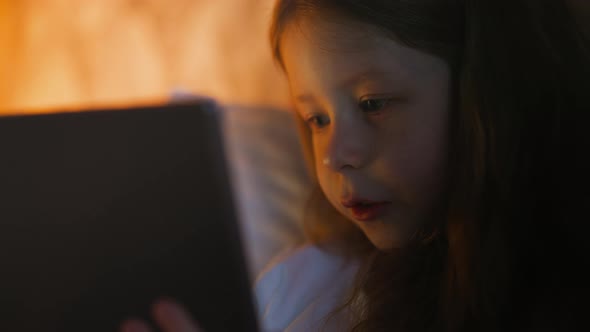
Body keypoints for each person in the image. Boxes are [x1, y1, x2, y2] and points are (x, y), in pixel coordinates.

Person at [120, 0, 589, 331]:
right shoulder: (299, 287)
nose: (334, 154)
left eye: (373, 103)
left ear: (487, 92)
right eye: (316, 119)